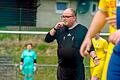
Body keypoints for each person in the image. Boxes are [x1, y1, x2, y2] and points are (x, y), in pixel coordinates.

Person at [45, 8, 99, 80]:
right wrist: (54, 28)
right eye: (63, 16)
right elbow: (48, 39)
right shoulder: (59, 29)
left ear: (74, 18)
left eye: (67, 17)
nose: (64, 19)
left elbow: (89, 46)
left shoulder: (82, 30)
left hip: (77, 69)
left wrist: (94, 57)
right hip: (63, 69)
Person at [80, 0, 116, 80]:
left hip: (101, 61)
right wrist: (88, 36)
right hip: (114, 53)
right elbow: (103, 12)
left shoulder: (103, 41)